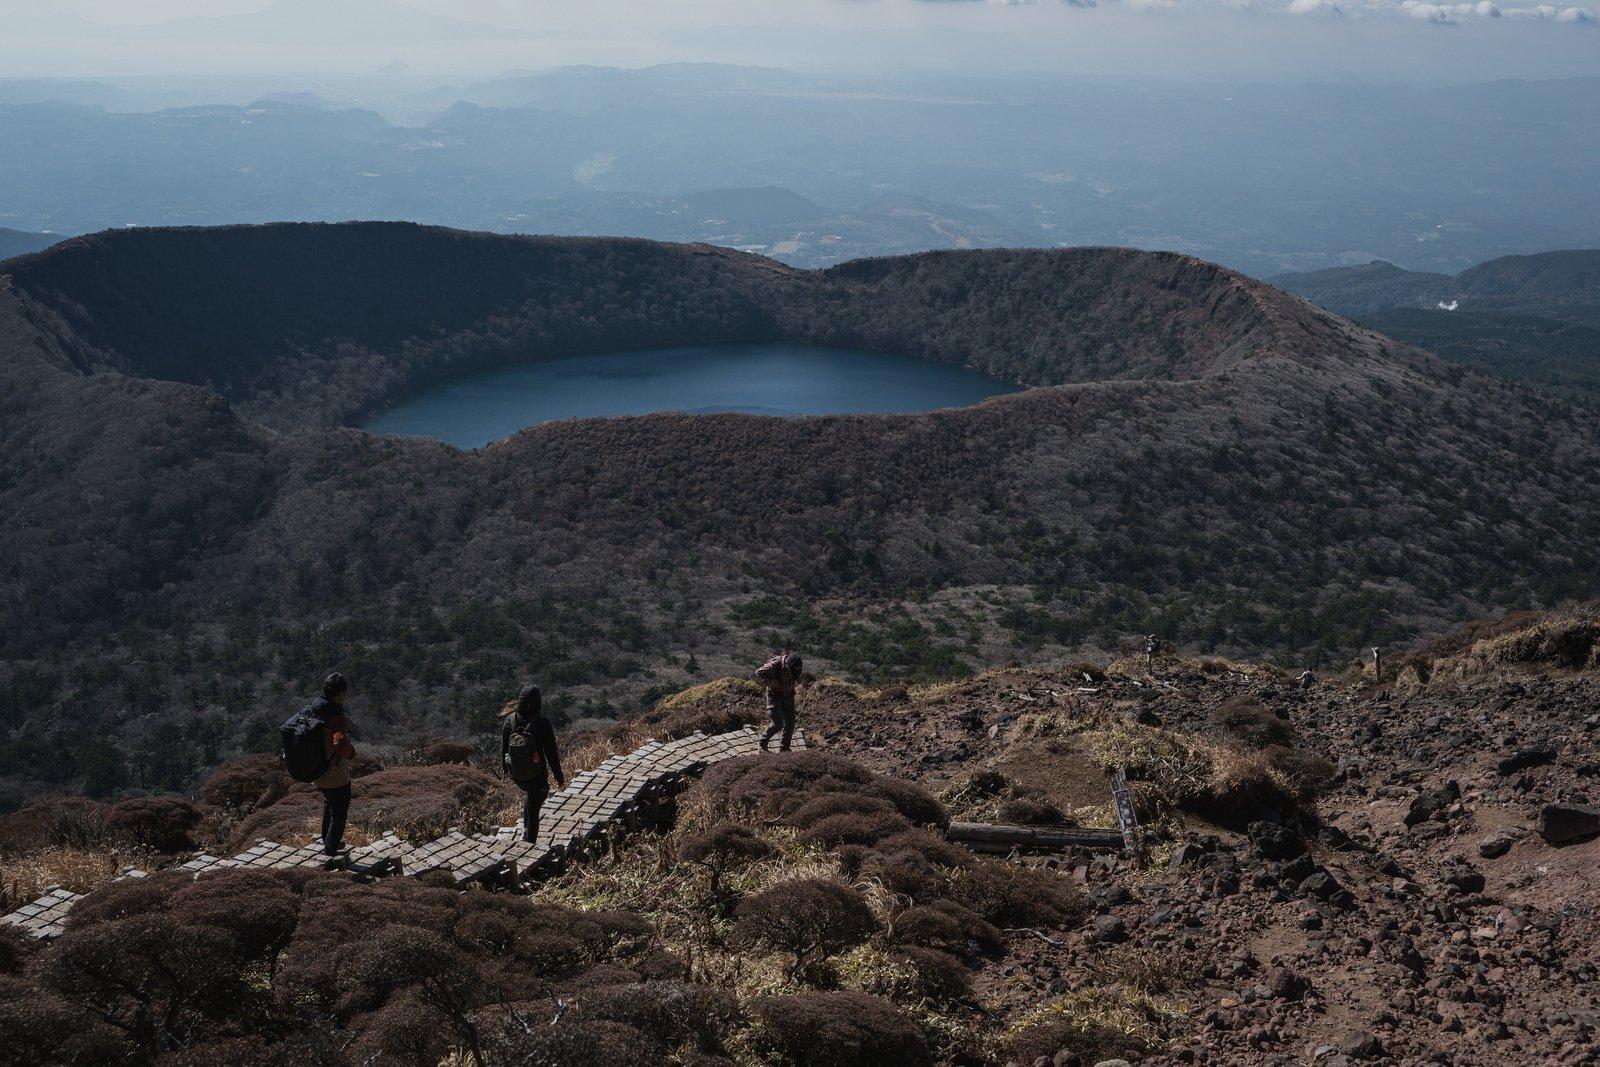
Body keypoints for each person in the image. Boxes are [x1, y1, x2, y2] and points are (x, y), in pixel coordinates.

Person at [501, 684, 565, 844]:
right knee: (537, 801)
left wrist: (506, 771)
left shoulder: (510, 721)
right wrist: (559, 776)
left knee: (531, 795)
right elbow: (551, 753)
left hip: (517, 775)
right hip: (537, 774)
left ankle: (524, 829)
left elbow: (504, 750)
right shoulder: (542, 723)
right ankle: (529, 844)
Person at [312, 672, 357, 856]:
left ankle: (328, 842)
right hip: (334, 775)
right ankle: (330, 852)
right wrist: (351, 753)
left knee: (329, 804)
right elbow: (340, 744)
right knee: (339, 814)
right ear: (339, 694)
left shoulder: (315, 708)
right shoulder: (336, 718)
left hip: (317, 770)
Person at [755, 649, 804, 752]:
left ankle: (784, 749)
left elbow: (797, 676)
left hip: (789, 696)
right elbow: (759, 672)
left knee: (790, 724)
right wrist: (771, 682)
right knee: (778, 724)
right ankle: (762, 743)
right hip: (775, 696)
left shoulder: (796, 667)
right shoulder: (776, 664)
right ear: (787, 665)